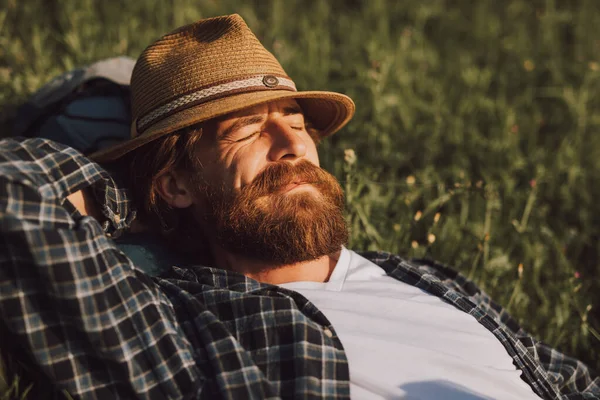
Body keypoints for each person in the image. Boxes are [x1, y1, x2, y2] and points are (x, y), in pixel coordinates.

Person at [0, 14, 598, 400]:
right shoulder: (188, 324)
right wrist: (136, 186)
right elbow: (15, 195)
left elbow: (573, 382)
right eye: (246, 129)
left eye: (296, 122)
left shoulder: (423, 279)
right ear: (176, 185)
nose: (293, 147)